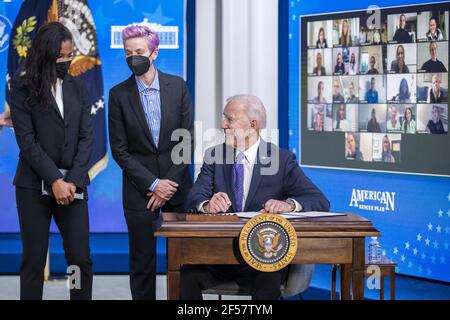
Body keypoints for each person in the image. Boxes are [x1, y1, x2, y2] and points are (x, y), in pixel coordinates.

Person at [180, 95, 330, 300]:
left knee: (268, 274)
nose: (222, 125)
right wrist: (206, 204)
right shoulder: (214, 155)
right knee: (186, 274)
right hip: (221, 256)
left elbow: (319, 200)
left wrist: (288, 205)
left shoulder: (282, 160)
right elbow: (193, 198)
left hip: (264, 257)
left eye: (229, 119)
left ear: (252, 125)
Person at [108, 25, 194, 300]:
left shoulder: (177, 86)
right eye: (128, 53)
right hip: (139, 190)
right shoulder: (118, 94)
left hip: (178, 186)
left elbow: (186, 140)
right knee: (142, 261)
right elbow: (120, 150)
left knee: (185, 261)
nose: (133, 57)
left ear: (154, 53)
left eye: (140, 52)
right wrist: (154, 184)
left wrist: (168, 184)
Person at [9, 22, 93, 300]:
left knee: (79, 260)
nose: (66, 62)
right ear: (45, 54)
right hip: (34, 186)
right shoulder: (22, 88)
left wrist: (70, 181)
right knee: (33, 260)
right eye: (60, 57)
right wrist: (54, 179)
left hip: (74, 185)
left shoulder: (79, 88)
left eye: (69, 56)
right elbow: (27, 141)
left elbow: (86, 138)